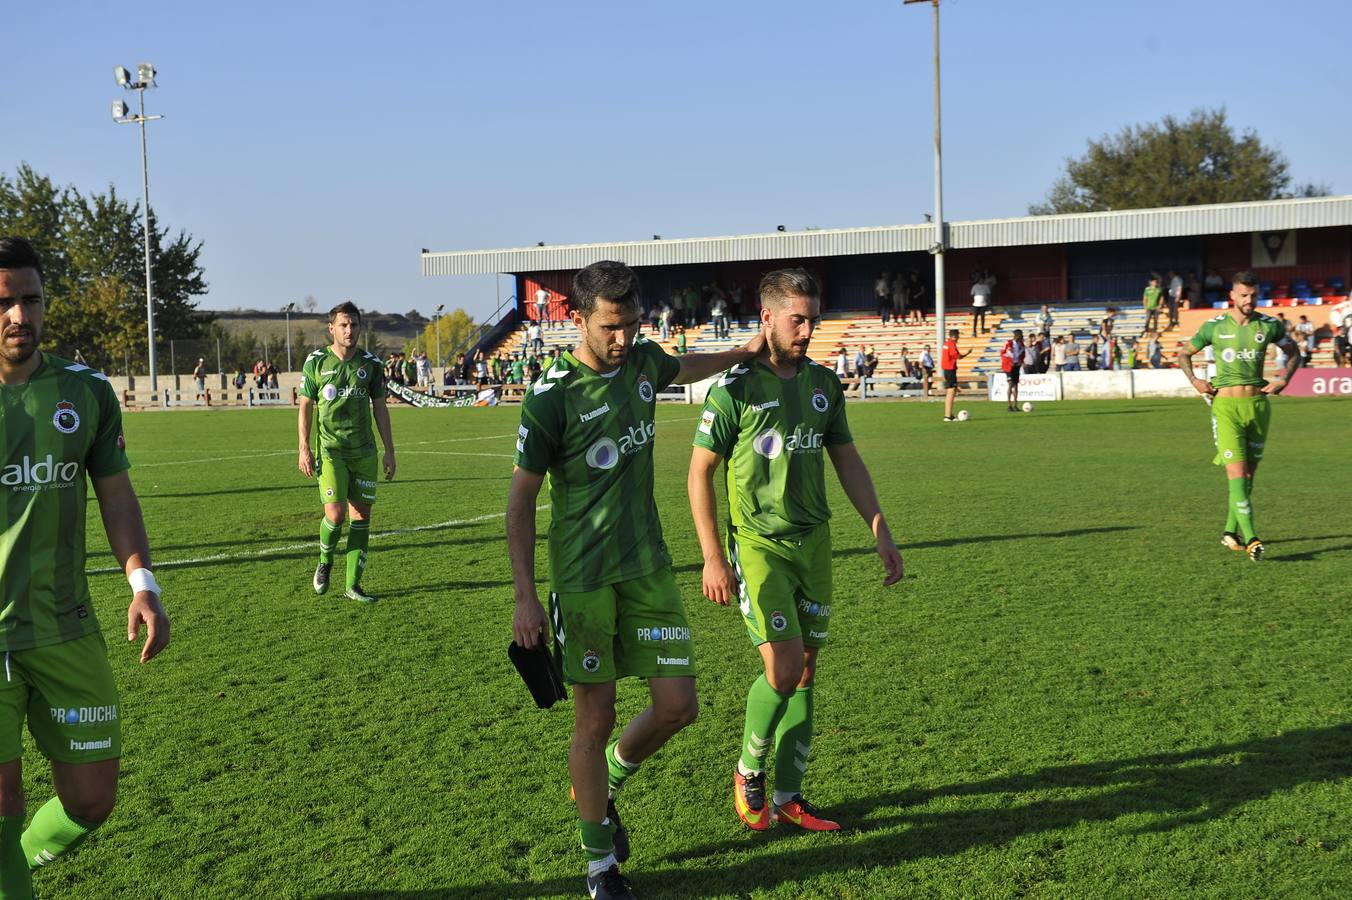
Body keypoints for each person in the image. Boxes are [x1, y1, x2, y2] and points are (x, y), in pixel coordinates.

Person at [508, 260, 766, 900]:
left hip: (648, 567)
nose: (623, 339)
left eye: (631, 325)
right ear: (579, 320)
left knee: (680, 705)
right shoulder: (550, 396)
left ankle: (610, 781)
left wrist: (745, 349)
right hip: (583, 577)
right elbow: (519, 504)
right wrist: (524, 596)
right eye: (611, 327)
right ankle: (600, 868)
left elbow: (690, 369)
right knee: (593, 721)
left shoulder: (644, 363)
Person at [688, 267, 903, 836]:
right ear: (768, 319)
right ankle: (747, 770)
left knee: (806, 671)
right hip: (759, 546)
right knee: (783, 668)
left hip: (816, 544)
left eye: (813, 319)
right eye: (797, 319)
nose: (808, 330)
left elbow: (848, 462)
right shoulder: (734, 388)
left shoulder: (824, 385)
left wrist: (878, 526)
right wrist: (713, 557)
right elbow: (698, 475)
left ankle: (788, 796)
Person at [0, 236, 170, 900]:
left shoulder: (86, 392)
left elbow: (117, 494)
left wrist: (142, 584)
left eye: (30, 300)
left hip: (65, 627)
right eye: (4, 302)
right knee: (4, 796)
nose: (19, 316)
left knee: (93, 799)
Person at [1176, 271, 1300, 562]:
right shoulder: (1214, 327)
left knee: (1249, 476)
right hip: (1226, 409)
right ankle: (1252, 538)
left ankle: (1230, 531)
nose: (1249, 300)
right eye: (1244, 295)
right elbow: (1184, 354)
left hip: (1257, 407)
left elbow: (1293, 353)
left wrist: (1284, 379)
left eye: (1254, 295)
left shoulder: (1268, 325)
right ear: (1232, 296)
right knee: (1236, 475)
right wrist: (1195, 380)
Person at [298, 302, 396, 604]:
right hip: (331, 450)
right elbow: (305, 405)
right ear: (332, 328)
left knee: (362, 515)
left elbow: (380, 408)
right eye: (343, 325)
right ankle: (325, 560)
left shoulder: (372, 364)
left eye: (353, 324)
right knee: (336, 515)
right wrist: (303, 446)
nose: (349, 330)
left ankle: (353, 585)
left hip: (364, 452)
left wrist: (389, 451)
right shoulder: (316, 363)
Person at [940, 328, 970, 420]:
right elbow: (958, 356)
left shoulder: (946, 344)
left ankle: (950, 414)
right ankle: (948, 416)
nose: (958, 338)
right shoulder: (952, 344)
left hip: (946, 370)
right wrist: (967, 353)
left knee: (952, 391)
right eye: (958, 336)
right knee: (950, 392)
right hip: (950, 370)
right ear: (954, 336)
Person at [1001, 329, 1025, 412]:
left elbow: (1022, 354)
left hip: (1016, 366)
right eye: (1020, 335)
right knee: (1010, 384)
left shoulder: (1021, 344)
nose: (1021, 337)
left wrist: (1020, 362)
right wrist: (1009, 361)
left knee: (1016, 386)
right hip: (1009, 367)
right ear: (1016, 335)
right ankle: (1009, 405)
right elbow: (1002, 353)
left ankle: (1015, 405)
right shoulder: (1008, 343)